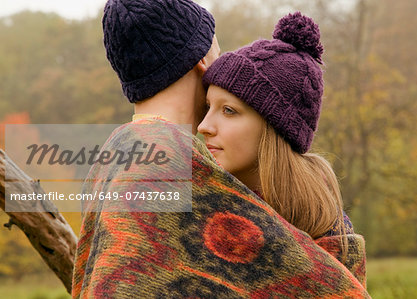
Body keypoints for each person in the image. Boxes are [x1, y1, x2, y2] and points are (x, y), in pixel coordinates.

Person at [72, 0, 370, 298]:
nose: (206, 126)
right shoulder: (166, 163)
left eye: (229, 110)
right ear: (202, 60)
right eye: (217, 49)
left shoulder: (115, 159)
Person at [198, 11, 366, 286]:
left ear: (274, 127)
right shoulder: (198, 203)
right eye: (208, 107)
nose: (204, 126)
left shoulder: (327, 231)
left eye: (228, 110)